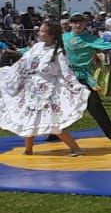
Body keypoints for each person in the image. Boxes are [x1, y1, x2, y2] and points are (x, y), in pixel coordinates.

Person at [0, 21, 90, 156]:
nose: (39, 33)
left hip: (48, 91)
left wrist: (76, 86)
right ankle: (28, 150)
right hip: (31, 90)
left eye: (42, 31)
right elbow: (22, 64)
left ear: (52, 35)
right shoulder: (36, 47)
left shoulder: (57, 53)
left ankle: (75, 148)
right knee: (28, 120)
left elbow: (66, 72)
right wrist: (8, 74)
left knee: (53, 122)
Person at [62, 15, 111, 141]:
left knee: (94, 105)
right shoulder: (64, 37)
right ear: (70, 24)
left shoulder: (91, 39)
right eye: (75, 22)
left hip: (83, 77)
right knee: (61, 105)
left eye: (80, 22)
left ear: (84, 24)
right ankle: (54, 133)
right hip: (67, 77)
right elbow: (47, 47)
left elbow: (109, 45)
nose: (78, 25)